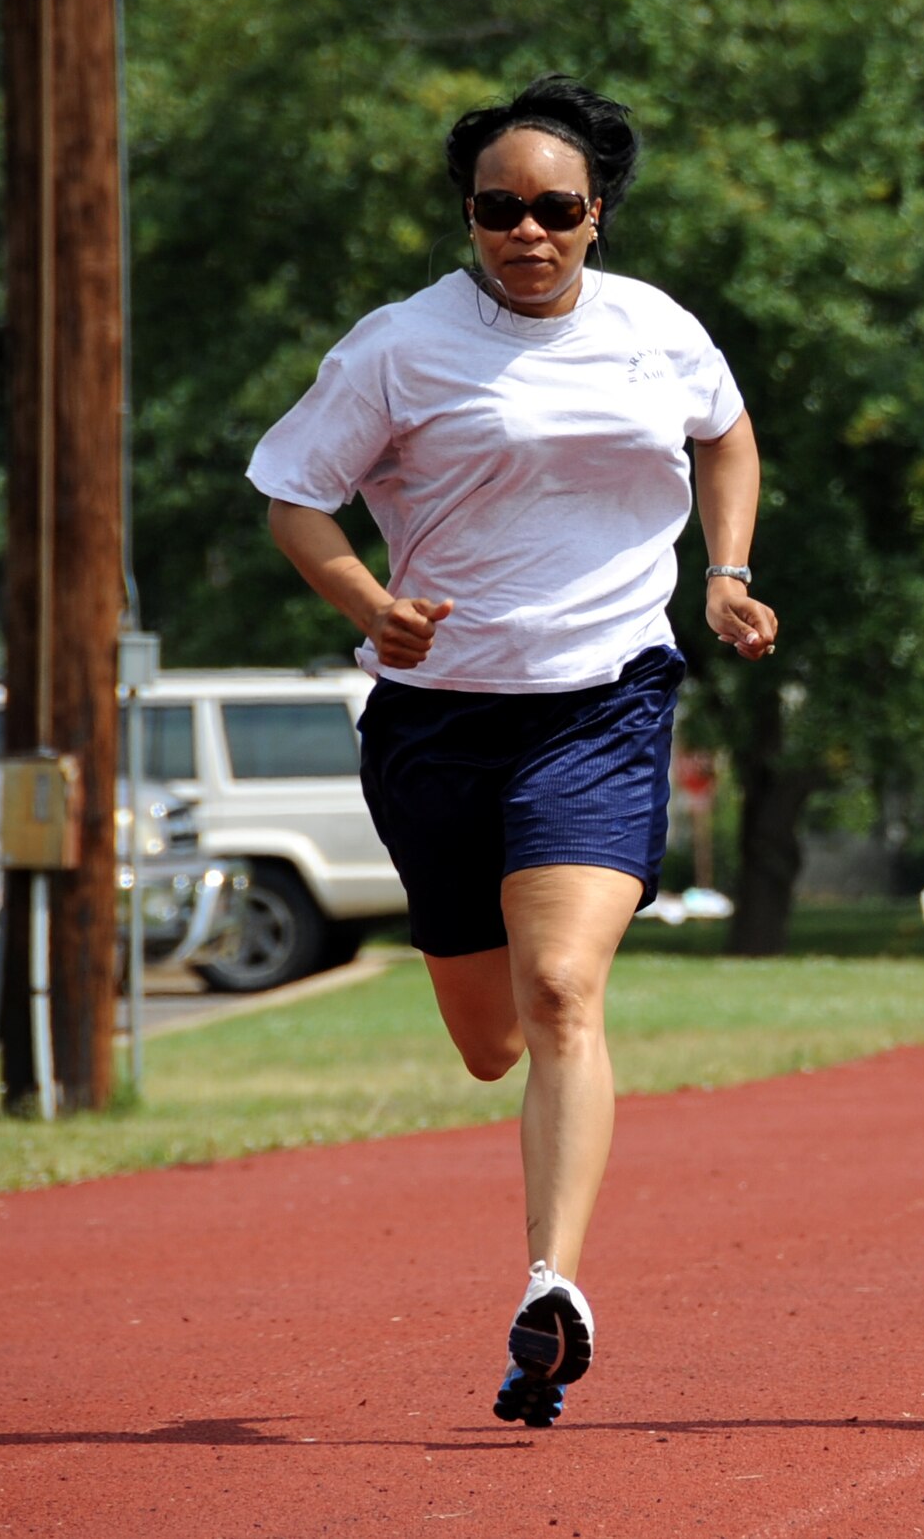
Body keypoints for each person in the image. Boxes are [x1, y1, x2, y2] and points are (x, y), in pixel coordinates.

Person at [247, 76, 777, 1429]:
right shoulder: (399, 347)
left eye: (554, 209)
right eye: (498, 209)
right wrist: (371, 605)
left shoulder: (657, 330)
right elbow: (293, 499)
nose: (525, 233)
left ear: (599, 212)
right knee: (488, 1040)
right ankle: (535, 1195)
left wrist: (726, 570)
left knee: (560, 990)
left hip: (600, 698)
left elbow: (726, 431)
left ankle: (553, 1285)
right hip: (436, 721)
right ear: (467, 213)